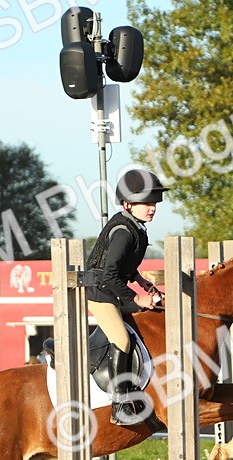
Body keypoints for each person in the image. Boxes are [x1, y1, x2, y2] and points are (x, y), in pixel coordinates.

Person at [85, 168, 167, 425]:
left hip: (111, 289)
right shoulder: (123, 231)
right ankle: (120, 404)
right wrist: (137, 298)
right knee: (122, 339)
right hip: (100, 293)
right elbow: (109, 275)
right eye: (146, 203)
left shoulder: (135, 226)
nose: (152, 208)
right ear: (128, 204)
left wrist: (139, 280)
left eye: (154, 203)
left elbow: (122, 267)